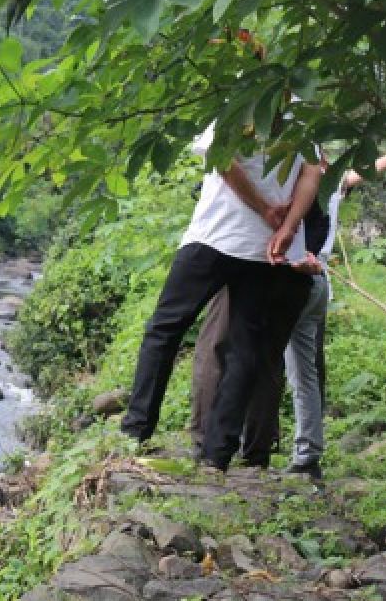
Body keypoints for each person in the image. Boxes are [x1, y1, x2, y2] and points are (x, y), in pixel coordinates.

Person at [189, 142, 386, 476]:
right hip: (316, 280)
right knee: (296, 369)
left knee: (233, 353)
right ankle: (295, 453)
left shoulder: (291, 187)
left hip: (281, 271)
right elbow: (354, 176)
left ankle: (213, 443)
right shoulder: (329, 182)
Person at [119, 120, 319, 467]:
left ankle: (136, 431)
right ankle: (218, 455)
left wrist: (264, 209)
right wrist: (286, 228)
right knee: (244, 349)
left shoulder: (239, 102)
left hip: (216, 236)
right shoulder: (300, 117)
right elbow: (312, 171)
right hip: (263, 248)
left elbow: (221, 158)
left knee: (164, 330)